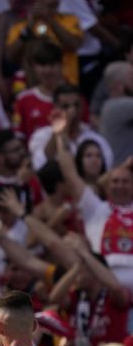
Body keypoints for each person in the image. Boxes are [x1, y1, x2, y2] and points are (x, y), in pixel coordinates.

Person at [55, 112, 133, 292]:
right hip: (102, 289)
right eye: (115, 181)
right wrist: (60, 135)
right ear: (106, 187)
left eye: (125, 182)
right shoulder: (96, 209)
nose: (119, 186)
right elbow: (70, 173)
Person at [29, 84, 113, 171]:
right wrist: (60, 130)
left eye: (76, 105)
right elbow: (41, 165)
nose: (72, 111)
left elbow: (105, 171)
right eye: (65, 106)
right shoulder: (41, 136)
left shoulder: (96, 140)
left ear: (82, 106)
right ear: (55, 107)